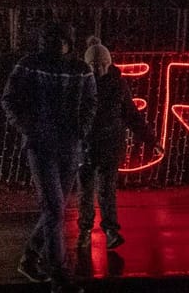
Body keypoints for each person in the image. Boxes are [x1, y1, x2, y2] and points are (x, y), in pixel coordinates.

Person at [0, 21, 95, 289]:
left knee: (55, 208)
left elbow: (90, 103)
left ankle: (31, 257)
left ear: (67, 42)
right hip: (42, 147)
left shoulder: (79, 70)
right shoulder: (31, 65)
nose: (56, 45)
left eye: (60, 40)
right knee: (54, 207)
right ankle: (60, 275)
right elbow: (10, 99)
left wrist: (80, 131)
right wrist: (29, 128)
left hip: (66, 146)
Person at [75, 37, 159, 252]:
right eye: (95, 65)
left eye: (103, 64)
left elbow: (131, 114)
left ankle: (109, 230)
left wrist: (150, 140)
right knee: (87, 190)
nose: (100, 69)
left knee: (106, 189)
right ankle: (86, 231)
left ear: (109, 62)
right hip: (87, 144)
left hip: (108, 143)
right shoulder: (82, 82)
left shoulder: (115, 83)